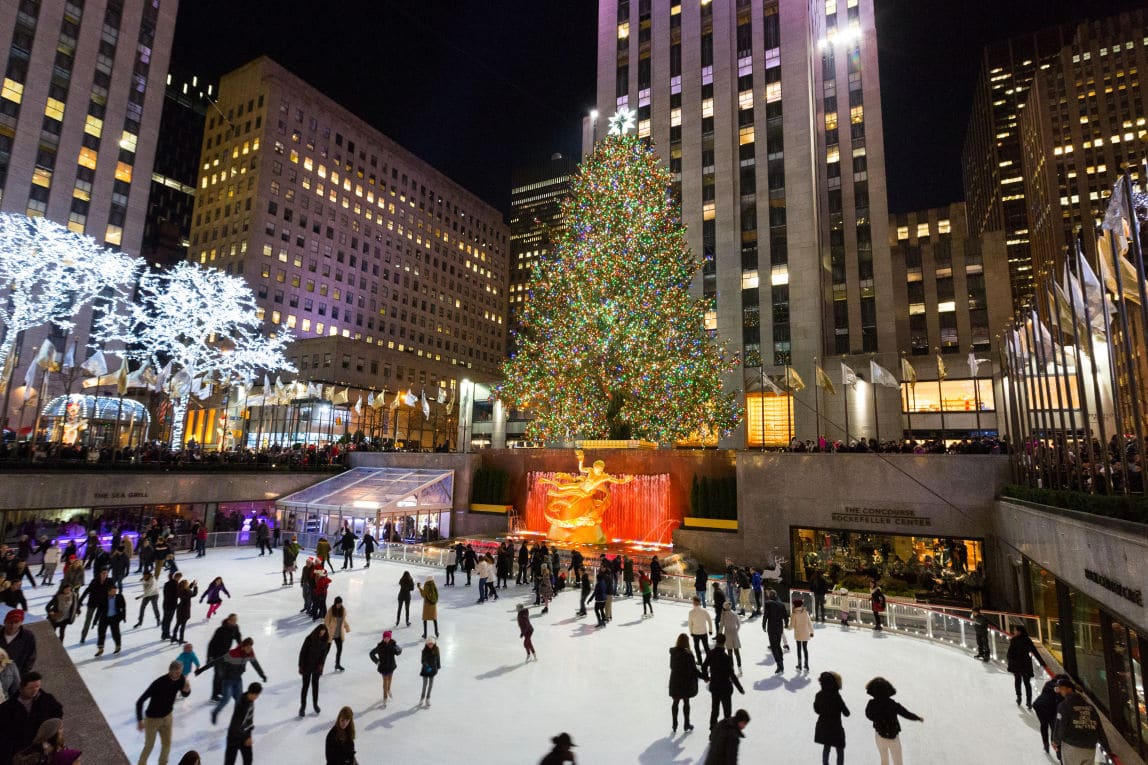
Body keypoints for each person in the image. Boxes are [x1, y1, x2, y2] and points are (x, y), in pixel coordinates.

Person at [197, 637, 268, 725]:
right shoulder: (233, 654)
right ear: (243, 646)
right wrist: (201, 670)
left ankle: (236, 721)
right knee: (225, 699)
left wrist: (262, 675)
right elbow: (216, 662)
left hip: (238, 679)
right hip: (228, 680)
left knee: (239, 701)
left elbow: (255, 664)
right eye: (248, 647)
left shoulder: (250, 653)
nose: (250, 650)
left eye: (251, 647)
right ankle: (215, 712)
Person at [136, 660, 192, 765]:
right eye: (177, 672)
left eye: (180, 672)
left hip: (167, 717)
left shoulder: (181, 679)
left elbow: (184, 694)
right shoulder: (158, 683)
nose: (179, 675)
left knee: (167, 744)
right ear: (170, 670)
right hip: (152, 719)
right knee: (149, 746)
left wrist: (187, 691)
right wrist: (139, 720)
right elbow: (140, 702)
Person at [0, 672, 63, 764]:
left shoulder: (47, 700)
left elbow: (57, 718)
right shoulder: (7, 708)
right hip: (20, 751)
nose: (35, 690)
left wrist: (53, 741)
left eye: (37, 687)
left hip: (44, 748)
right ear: (21, 688)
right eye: (31, 688)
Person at [864, 676, 923, 765]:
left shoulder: (871, 703)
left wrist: (877, 718)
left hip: (879, 736)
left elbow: (868, 715)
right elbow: (905, 713)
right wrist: (917, 718)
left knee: (884, 761)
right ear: (888, 690)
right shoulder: (893, 704)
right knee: (898, 762)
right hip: (893, 738)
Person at [1053, 677, 1109, 765]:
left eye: (1062, 688)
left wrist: (1056, 741)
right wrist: (1106, 747)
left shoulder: (1064, 705)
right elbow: (1099, 728)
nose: (1060, 691)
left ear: (1069, 689)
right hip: (1090, 748)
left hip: (1072, 746)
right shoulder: (1090, 707)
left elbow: (1061, 725)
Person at [702, 633, 744, 730]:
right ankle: (726, 731)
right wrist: (740, 688)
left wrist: (706, 677)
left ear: (716, 641)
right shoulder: (727, 658)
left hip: (715, 687)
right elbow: (732, 675)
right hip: (725, 688)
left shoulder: (711, 653)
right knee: (727, 712)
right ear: (724, 642)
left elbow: (704, 667)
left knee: (714, 710)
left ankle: (712, 730)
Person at [669, 633, 704, 733]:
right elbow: (694, 670)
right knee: (686, 702)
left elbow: (672, 666)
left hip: (675, 681)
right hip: (685, 682)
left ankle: (674, 724)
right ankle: (686, 724)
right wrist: (704, 677)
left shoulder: (673, 652)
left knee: (675, 702)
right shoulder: (688, 654)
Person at [814, 671, 849, 765]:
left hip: (823, 726)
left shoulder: (819, 695)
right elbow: (846, 713)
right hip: (836, 728)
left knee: (826, 747)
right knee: (840, 749)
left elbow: (817, 710)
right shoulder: (836, 696)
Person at [13, 717, 81, 765]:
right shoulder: (43, 753)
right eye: (60, 728)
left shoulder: (59, 746)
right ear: (53, 734)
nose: (63, 730)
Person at [205, 614, 243, 702]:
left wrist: (241, 646)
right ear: (228, 620)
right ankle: (214, 696)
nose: (234, 622)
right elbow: (211, 644)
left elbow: (237, 636)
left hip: (226, 655)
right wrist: (209, 657)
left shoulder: (235, 627)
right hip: (217, 655)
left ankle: (221, 691)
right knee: (218, 675)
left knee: (224, 674)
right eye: (233, 620)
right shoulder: (220, 630)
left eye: (235, 620)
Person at [1006, 624, 1044, 708]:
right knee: (1027, 683)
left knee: (1018, 681)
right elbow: (1035, 652)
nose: (1013, 632)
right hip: (1026, 664)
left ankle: (1019, 697)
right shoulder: (1027, 640)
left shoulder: (1014, 640)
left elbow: (1009, 653)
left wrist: (1010, 661)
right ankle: (1029, 701)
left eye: (1015, 630)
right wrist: (1042, 663)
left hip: (1017, 664)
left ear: (1019, 632)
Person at [223, 683, 261, 765]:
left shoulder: (250, 700)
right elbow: (235, 725)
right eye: (257, 695)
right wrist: (246, 738)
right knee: (230, 761)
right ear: (252, 693)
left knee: (248, 759)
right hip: (234, 737)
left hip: (244, 735)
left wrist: (249, 735)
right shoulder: (241, 705)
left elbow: (249, 720)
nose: (257, 697)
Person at [297, 624, 331, 717]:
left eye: (323, 633)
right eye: (320, 633)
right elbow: (302, 652)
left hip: (317, 667)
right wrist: (300, 666)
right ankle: (303, 707)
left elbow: (324, 655)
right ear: (317, 631)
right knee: (305, 686)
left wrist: (321, 665)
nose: (321, 635)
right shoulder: (309, 639)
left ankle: (315, 705)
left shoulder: (325, 641)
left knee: (315, 686)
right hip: (307, 665)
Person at [1033, 673, 1069, 754]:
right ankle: (1058, 751)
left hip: (1038, 705)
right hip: (1049, 708)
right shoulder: (1059, 688)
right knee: (1054, 728)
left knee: (1044, 725)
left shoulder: (1048, 683)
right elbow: (1059, 701)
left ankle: (1046, 745)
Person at [368, 630, 402, 707]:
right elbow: (371, 653)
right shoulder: (380, 646)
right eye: (385, 638)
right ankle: (385, 698)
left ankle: (389, 689)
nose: (386, 639)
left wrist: (399, 649)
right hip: (383, 667)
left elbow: (398, 653)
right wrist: (377, 661)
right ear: (383, 638)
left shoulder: (393, 645)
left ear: (390, 638)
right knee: (385, 682)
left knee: (390, 679)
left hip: (391, 666)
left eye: (388, 638)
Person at [94, 584, 126, 657]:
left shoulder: (119, 597)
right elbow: (99, 610)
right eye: (112, 591)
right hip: (104, 618)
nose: (114, 593)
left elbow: (123, 607)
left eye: (115, 591)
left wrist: (122, 617)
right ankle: (100, 648)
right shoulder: (103, 598)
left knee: (116, 633)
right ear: (108, 592)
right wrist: (95, 620)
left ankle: (118, 646)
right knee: (101, 632)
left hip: (114, 618)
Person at [761, 589, 789, 673]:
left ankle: (779, 663)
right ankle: (780, 664)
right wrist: (786, 624)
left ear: (770, 596)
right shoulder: (781, 604)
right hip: (779, 627)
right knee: (777, 645)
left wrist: (763, 624)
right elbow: (786, 617)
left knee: (774, 647)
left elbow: (765, 615)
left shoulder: (768, 603)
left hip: (772, 628)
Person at [323, 597, 350, 671]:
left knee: (339, 650)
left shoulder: (343, 610)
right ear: (335, 603)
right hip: (331, 634)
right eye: (338, 603)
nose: (339, 605)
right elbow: (326, 621)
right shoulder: (331, 610)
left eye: (340, 603)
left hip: (339, 634)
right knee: (326, 651)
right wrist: (327, 630)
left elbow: (343, 620)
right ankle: (320, 667)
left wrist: (347, 627)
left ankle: (337, 664)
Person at [790, 597, 814, 672]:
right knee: (805, 649)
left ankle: (799, 665)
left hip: (798, 634)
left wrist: (787, 627)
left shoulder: (794, 614)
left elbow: (792, 625)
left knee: (799, 649)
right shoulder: (805, 612)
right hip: (806, 633)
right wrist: (811, 632)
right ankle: (806, 665)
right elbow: (809, 623)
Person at [171, 579, 198, 644]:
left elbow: (188, 588)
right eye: (187, 584)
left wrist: (192, 584)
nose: (188, 585)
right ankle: (181, 639)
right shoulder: (187, 591)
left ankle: (173, 638)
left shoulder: (179, 590)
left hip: (179, 608)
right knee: (183, 625)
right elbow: (194, 594)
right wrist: (195, 587)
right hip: (185, 610)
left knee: (177, 624)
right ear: (185, 585)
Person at [688, 596, 713, 663]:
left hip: (695, 633)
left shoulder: (691, 612)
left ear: (694, 602)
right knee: (706, 647)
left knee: (697, 648)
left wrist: (691, 632)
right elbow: (709, 620)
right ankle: (710, 661)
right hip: (703, 632)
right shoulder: (704, 611)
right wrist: (710, 630)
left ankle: (700, 661)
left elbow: (690, 624)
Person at [719, 602, 742, 673]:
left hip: (727, 634)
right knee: (737, 652)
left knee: (730, 653)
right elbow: (738, 625)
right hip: (734, 634)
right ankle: (740, 668)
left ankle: (732, 669)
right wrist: (736, 631)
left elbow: (721, 625)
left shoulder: (723, 615)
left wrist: (719, 634)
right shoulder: (735, 613)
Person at [417, 636, 440, 708]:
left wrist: (438, 667)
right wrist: (427, 668)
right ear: (427, 644)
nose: (430, 645)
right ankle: (422, 698)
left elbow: (438, 659)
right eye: (429, 644)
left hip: (433, 670)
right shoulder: (424, 651)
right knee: (425, 685)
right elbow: (423, 661)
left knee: (430, 685)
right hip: (425, 671)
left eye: (432, 644)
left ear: (434, 644)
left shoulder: (436, 650)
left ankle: (428, 698)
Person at [160, 572, 181, 641]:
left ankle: (164, 634)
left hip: (165, 604)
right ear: (177, 577)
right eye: (179, 578)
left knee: (165, 619)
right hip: (171, 605)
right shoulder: (176, 584)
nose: (179, 579)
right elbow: (177, 595)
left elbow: (165, 594)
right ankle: (167, 634)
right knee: (168, 620)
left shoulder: (166, 584)